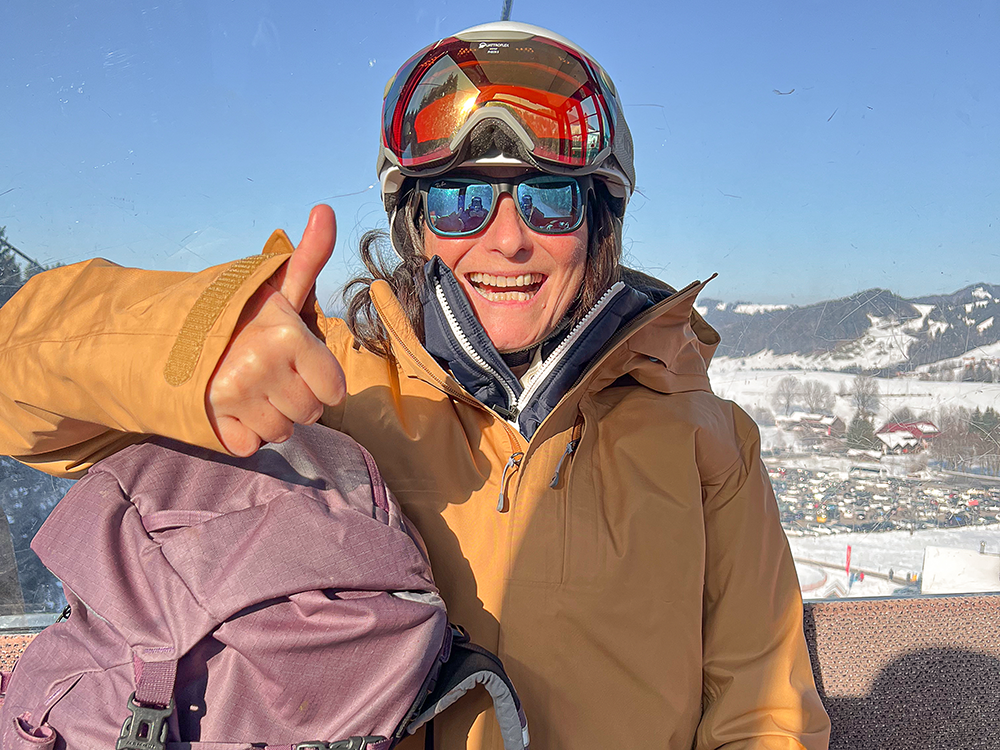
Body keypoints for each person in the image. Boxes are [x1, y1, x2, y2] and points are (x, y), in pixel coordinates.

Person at [0, 21, 830, 750]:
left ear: (597, 224)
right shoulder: (322, 386)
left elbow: (766, 713)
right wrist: (194, 348)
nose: (508, 240)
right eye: (464, 201)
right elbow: (17, 396)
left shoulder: (703, 440)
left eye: (549, 200)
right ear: (416, 225)